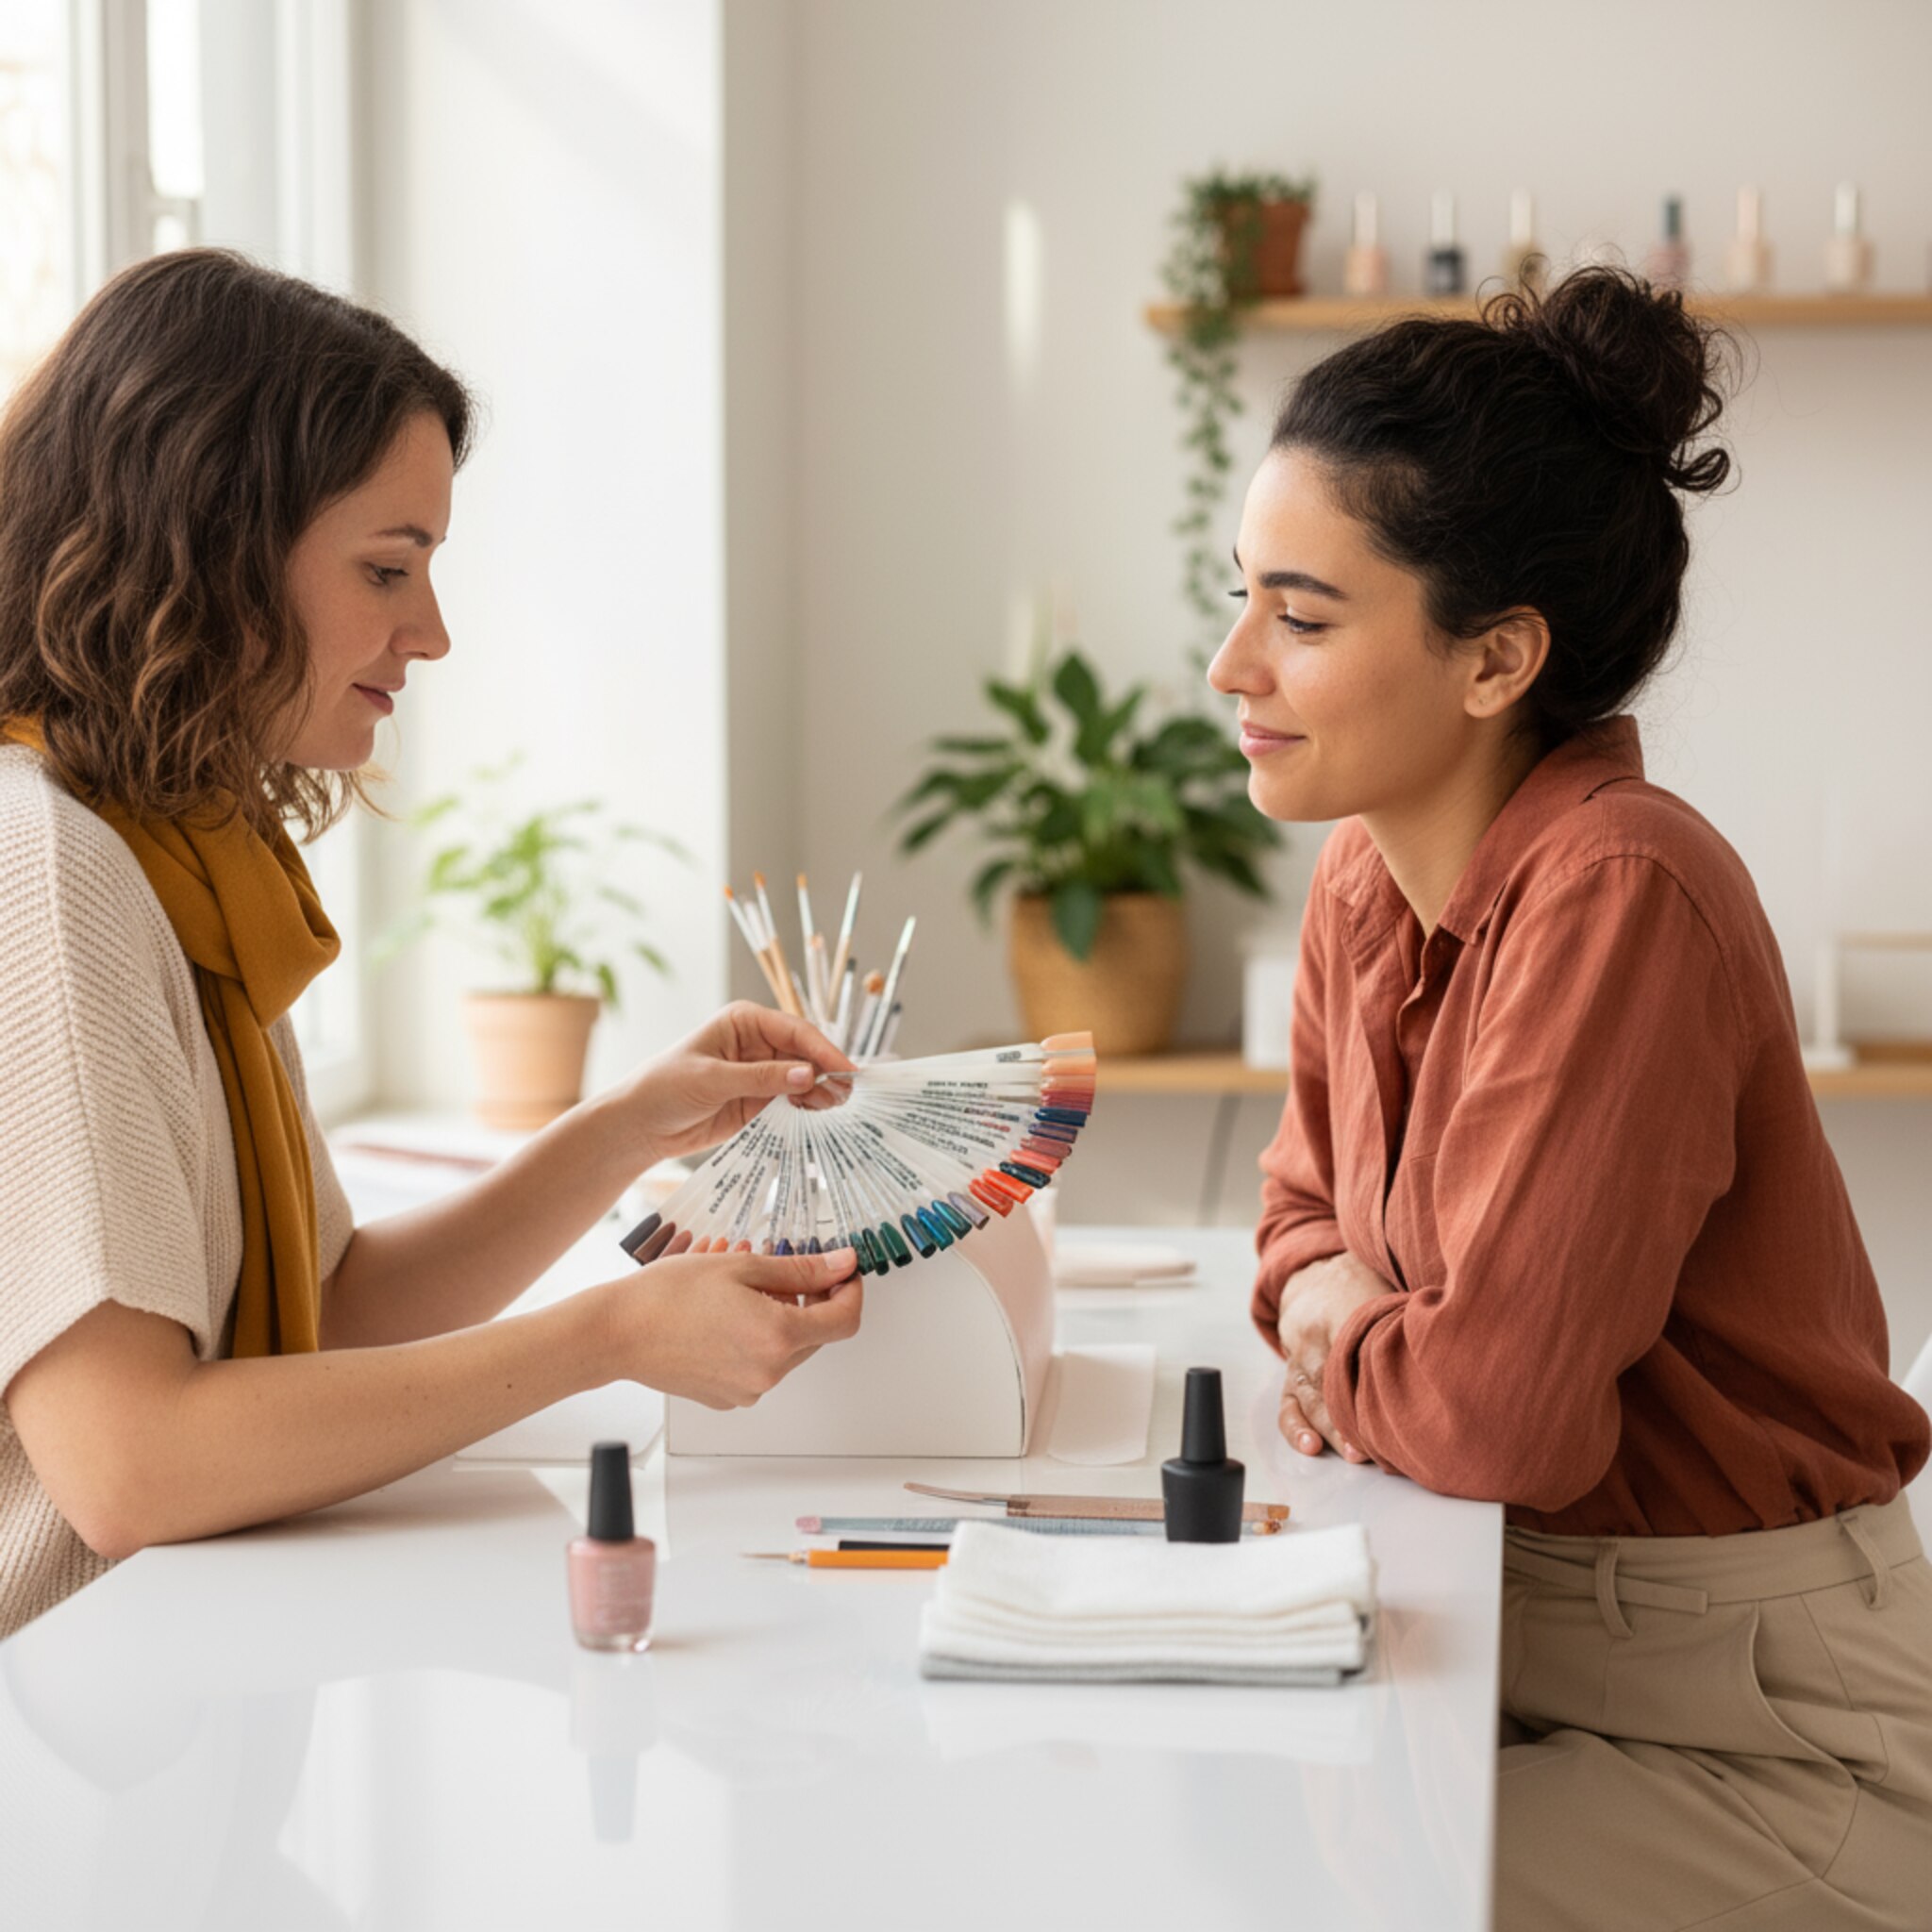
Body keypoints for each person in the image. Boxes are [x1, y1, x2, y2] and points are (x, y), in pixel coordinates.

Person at [0, 249, 861, 1641]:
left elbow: (330, 1309)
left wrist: (631, 1123)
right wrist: (610, 1340)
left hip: (168, 1676)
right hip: (66, 1727)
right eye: (388, 568)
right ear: (210, 554)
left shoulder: (182, 854)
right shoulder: (43, 873)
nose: (432, 631)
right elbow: (130, 1464)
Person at [1212, 266, 1932, 1930]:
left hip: (1770, 1738)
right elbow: (1290, 1226)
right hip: (1530, 1645)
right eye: (1239, 596)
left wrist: (1353, 1335)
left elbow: (1500, 1422)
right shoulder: (1360, 881)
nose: (1231, 663)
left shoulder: (1623, 891)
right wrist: (1346, 1302)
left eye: (1301, 619)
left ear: (1496, 660)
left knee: (1288, 1892)